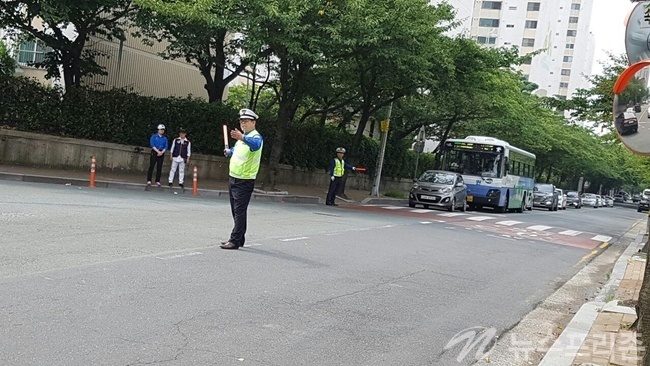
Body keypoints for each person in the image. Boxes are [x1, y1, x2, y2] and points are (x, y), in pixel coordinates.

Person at [220, 108, 264, 250]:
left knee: (239, 211)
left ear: (254, 122)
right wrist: (229, 152)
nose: (243, 124)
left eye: (246, 121)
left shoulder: (255, 137)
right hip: (234, 178)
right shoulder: (242, 138)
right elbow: (237, 151)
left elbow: (255, 145)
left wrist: (242, 137)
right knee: (235, 210)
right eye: (241, 121)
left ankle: (234, 240)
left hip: (244, 180)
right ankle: (240, 238)